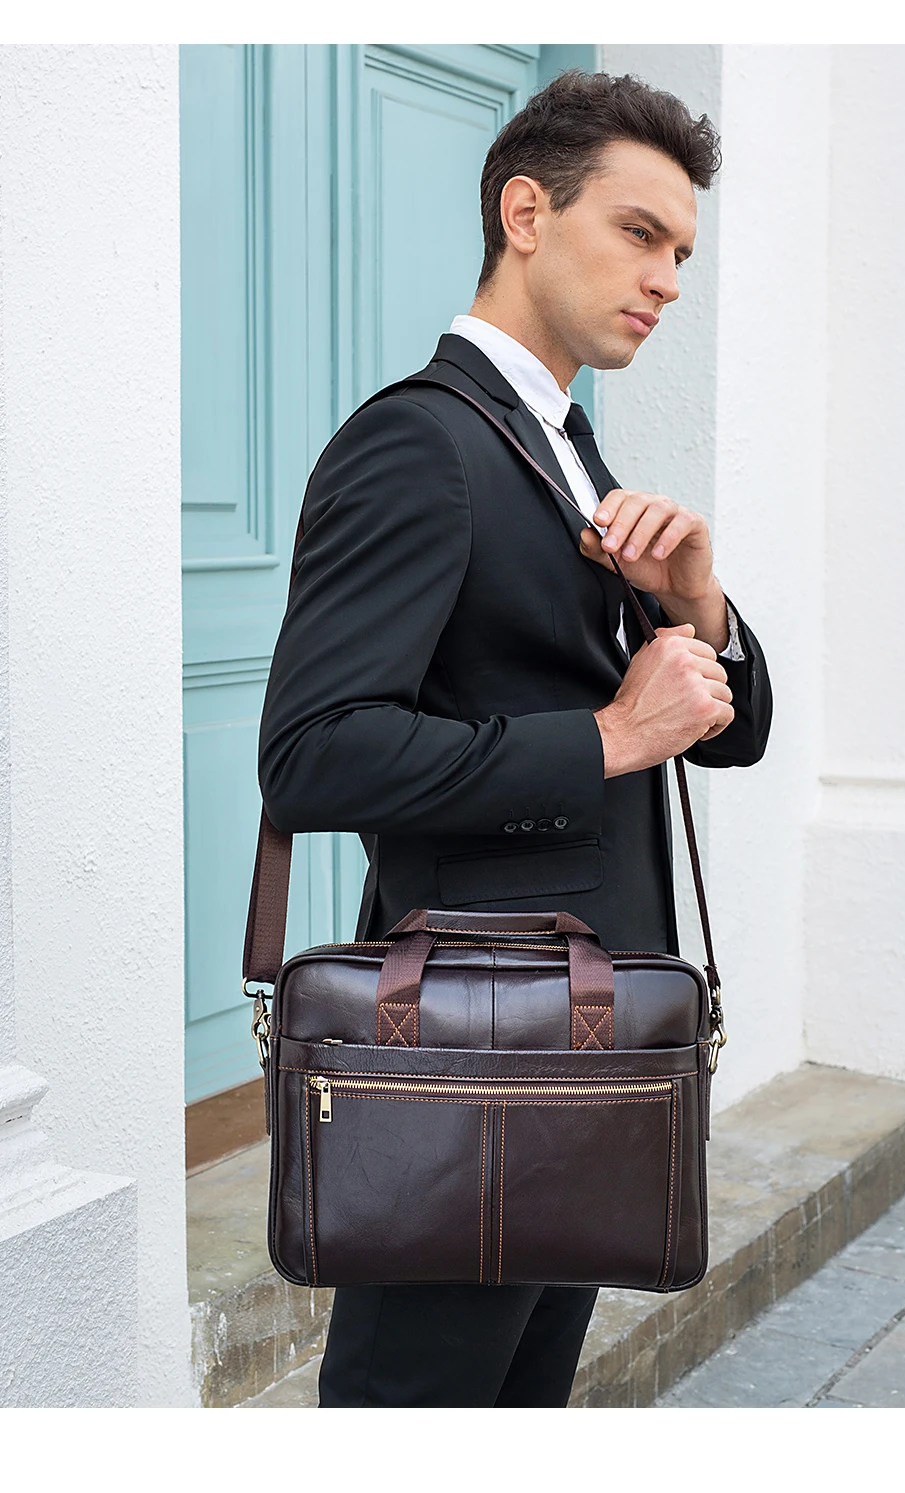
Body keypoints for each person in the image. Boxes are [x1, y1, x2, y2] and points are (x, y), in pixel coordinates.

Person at [257, 67, 773, 1409]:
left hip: (585, 1050)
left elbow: (729, 737)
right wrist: (605, 736)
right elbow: (313, 754)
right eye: (640, 234)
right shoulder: (417, 445)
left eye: (683, 253)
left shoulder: (563, 449)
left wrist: (700, 607)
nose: (667, 280)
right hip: (468, 1057)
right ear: (527, 214)